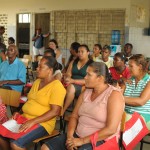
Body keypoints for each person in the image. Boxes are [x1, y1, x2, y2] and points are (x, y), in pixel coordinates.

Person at [41, 62, 124, 150]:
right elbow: (74, 116)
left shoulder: (114, 95)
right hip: (78, 135)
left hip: (101, 139)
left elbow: (111, 129)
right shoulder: (86, 92)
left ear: (100, 78)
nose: (85, 77)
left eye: (89, 75)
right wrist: (70, 138)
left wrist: (82, 141)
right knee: (45, 148)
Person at [0, 56, 66, 150]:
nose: (37, 69)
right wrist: (19, 112)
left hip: (43, 124)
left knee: (16, 144)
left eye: (40, 67)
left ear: (50, 70)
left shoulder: (57, 87)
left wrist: (33, 121)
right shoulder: (37, 82)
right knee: (1, 134)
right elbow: (29, 101)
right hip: (25, 118)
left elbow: (54, 112)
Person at [62, 44, 93, 115]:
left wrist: (73, 81)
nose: (80, 53)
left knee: (71, 87)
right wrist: (68, 78)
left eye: (82, 51)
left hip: (83, 86)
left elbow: (88, 81)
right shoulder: (74, 62)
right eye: (79, 52)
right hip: (70, 83)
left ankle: (63, 111)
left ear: (88, 52)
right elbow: (68, 73)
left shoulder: (91, 64)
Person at [122, 54, 150, 129]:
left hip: (143, 115)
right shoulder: (128, 81)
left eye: (131, 66)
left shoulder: (148, 81)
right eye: (128, 66)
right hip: (126, 114)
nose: (128, 68)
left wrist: (119, 98)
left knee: (120, 125)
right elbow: (118, 95)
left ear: (140, 67)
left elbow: (141, 101)